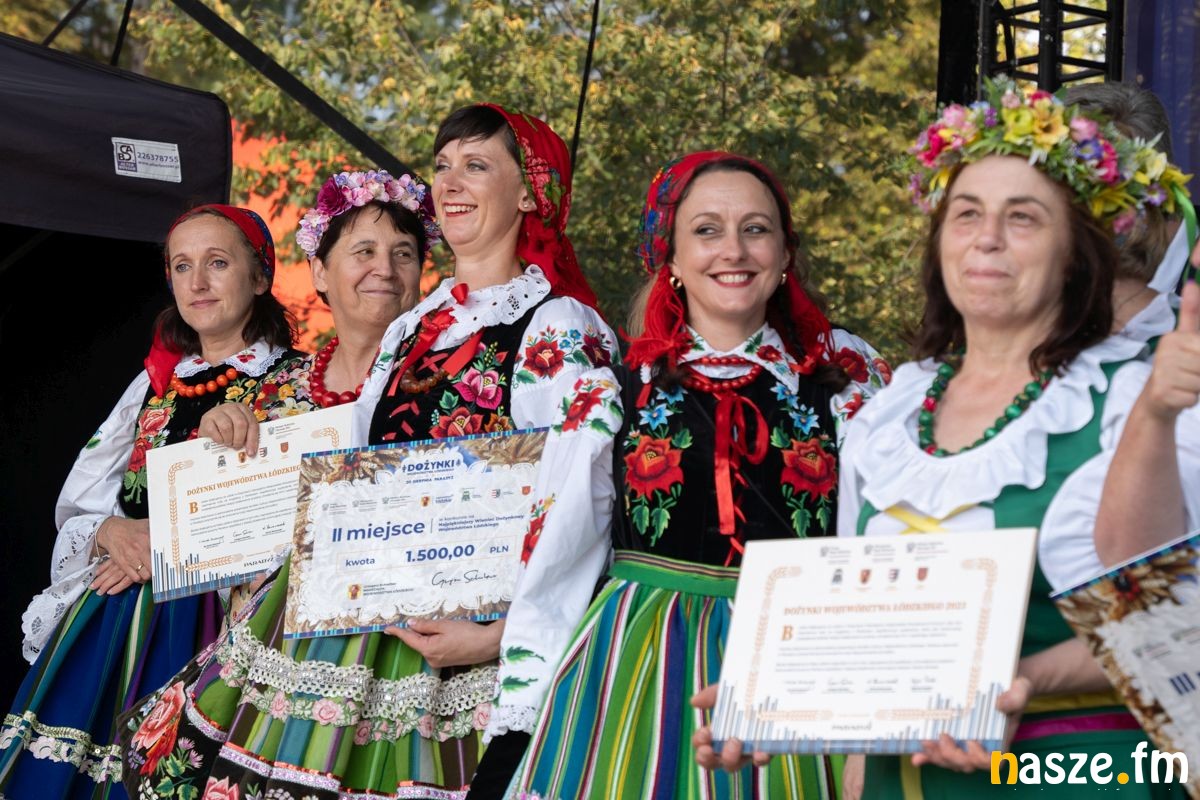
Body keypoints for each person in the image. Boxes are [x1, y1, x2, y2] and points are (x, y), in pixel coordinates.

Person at [694, 80, 1193, 798]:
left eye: (1022, 218)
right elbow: (863, 618)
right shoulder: (891, 412)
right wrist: (775, 695)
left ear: (1076, 253)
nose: (987, 238)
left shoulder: (1134, 398)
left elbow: (1172, 623)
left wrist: (1021, 680)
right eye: (966, 214)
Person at [122, 105, 616, 800]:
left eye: (477, 166)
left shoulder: (556, 327)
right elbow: (341, 466)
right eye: (443, 165)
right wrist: (231, 459)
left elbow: (581, 499)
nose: (450, 183)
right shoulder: (417, 326)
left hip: (466, 645)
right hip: (361, 621)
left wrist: (504, 636)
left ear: (531, 193)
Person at [496, 151, 888, 799]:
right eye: (707, 230)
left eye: (756, 229)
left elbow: (875, 554)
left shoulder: (842, 394)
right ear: (672, 259)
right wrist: (521, 707)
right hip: (640, 665)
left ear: (785, 254)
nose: (733, 249)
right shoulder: (610, 395)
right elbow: (558, 562)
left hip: (794, 661)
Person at [117, 167, 441, 799]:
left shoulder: (444, 390)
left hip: (395, 655)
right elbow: (220, 540)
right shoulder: (273, 389)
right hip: (269, 652)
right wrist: (218, 441)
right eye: (363, 251)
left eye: (404, 253)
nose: (384, 269)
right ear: (319, 272)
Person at [0, 204, 302, 798]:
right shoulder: (154, 384)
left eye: (218, 263)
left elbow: (298, 523)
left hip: (218, 625)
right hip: (118, 618)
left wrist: (178, 539)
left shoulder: (299, 383)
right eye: (182, 266)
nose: (198, 282)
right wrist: (112, 532)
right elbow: (81, 503)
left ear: (260, 275)